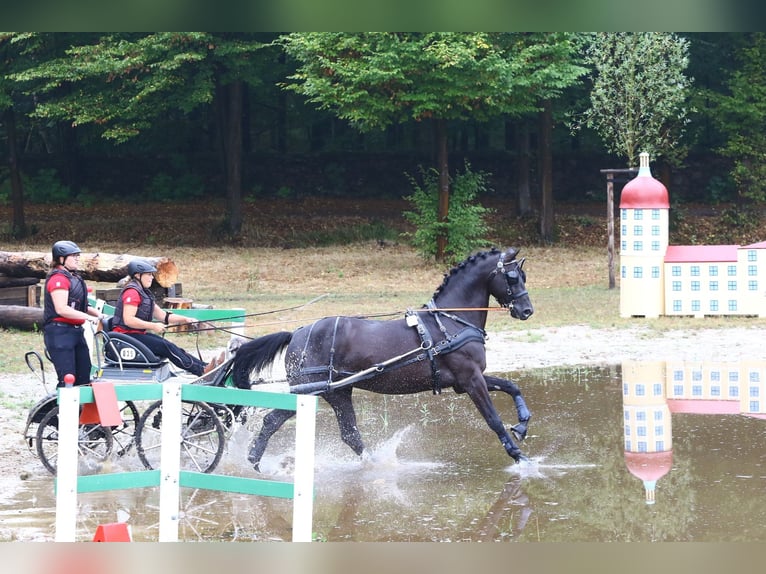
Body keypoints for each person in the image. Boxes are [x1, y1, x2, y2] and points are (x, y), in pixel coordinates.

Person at [111, 259, 224, 377]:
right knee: (167, 347)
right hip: (126, 336)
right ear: (138, 275)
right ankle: (201, 371)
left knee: (171, 346)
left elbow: (163, 316)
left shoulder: (143, 293)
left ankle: (205, 366)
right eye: (149, 274)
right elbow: (129, 320)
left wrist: (185, 319)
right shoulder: (132, 293)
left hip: (136, 335)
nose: (152, 278)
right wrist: (153, 326)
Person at [43, 240, 104, 387]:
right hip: (60, 333)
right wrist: (89, 318)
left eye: (78, 255)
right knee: (67, 379)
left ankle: (81, 409)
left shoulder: (74, 278)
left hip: (76, 332)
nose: (77, 258)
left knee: (84, 377)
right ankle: (58, 409)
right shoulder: (58, 279)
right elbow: (62, 309)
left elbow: (82, 306)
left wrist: (100, 315)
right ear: (61, 259)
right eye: (73, 256)